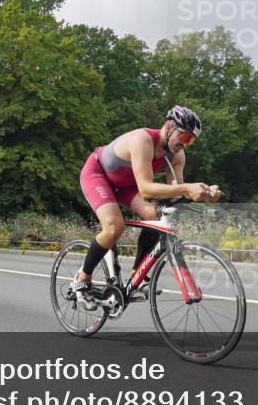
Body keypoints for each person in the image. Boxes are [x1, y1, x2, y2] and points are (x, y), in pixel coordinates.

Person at [75, 105, 220, 309]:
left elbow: (177, 192)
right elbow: (146, 189)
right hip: (98, 175)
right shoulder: (142, 140)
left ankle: (138, 275)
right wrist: (187, 189)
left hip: (126, 185)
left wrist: (204, 193)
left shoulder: (177, 156)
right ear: (169, 126)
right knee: (115, 227)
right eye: (184, 136)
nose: (185, 144)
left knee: (155, 216)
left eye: (191, 140)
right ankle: (83, 278)